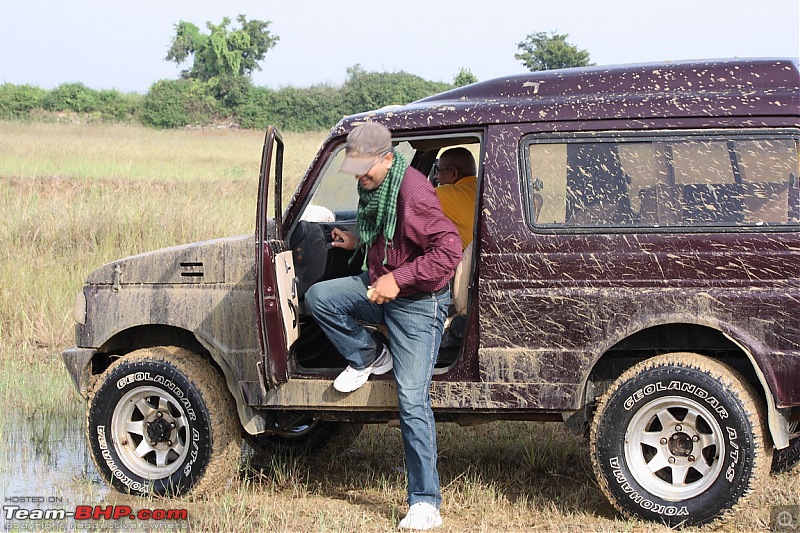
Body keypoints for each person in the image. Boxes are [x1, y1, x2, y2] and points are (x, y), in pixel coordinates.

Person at [304, 122, 461, 531]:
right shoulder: (377, 188)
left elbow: (449, 251)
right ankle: (369, 355)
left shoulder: (412, 191)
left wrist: (399, 279)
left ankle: (426, 501)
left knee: (411, 400)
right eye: (355, 171)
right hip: (379, 286)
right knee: (320, 299)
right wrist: (358, 242)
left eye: (366, 170)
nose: (360, 178)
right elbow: (389, 236)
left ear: (388, 158)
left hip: (416, 304)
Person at [433, 147, 478, 250]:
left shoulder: (444, 194)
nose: (436, 177)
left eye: (438, 170)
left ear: (453, 174)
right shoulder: (485, 188)